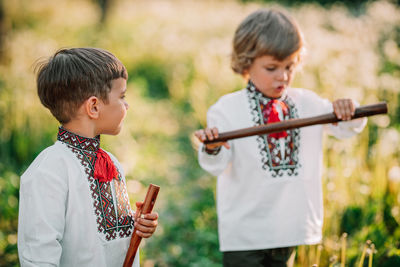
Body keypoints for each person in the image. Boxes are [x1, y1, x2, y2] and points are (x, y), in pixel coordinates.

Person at [195, 9, 366, 267]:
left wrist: (348, 110)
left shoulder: (308, 103)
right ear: (245, 62)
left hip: (289, 226)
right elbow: (216, 165)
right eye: (272, 67)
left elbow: (344, 129)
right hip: (245, 232)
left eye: (290, 66)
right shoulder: (226, 109)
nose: (283, 76)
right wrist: (213, 148)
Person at [18, 48, 158, 267]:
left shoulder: (111, 162)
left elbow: (96, 237)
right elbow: (38, 255)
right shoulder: (48, 170)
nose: (126, 105)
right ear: (94, 106)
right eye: (122, 96)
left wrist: (134, 224)